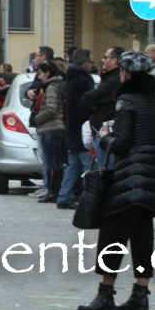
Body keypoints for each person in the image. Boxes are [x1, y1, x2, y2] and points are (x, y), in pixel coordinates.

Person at [78, 51, 155, 310]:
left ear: (125, 73)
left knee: (112, 233)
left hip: (132, 173)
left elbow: (122, 143)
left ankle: (106, 294)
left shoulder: (126, 101)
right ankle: (140, 295)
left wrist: (105, 137)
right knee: (142, 231)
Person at [31, 60, 71, 208]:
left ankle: (53, 192)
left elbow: (51, 109)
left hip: (50, 128)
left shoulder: (52, 87)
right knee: (56, 162)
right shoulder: (59, 85)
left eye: (41, 73)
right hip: (57, 128)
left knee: (51, 162)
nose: (39, 77)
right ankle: (54, 191)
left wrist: (37, 119)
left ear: (48, 73)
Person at [61, 49, 96, 207]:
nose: (92, 65)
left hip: (72, 126)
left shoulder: (70, 77)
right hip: (82, 128)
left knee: (74, 165)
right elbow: (84, 104)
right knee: (89, 164)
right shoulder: (83, 80)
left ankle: (63, 197)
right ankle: (90, 199)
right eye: (91, 62)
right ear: (85, 62)